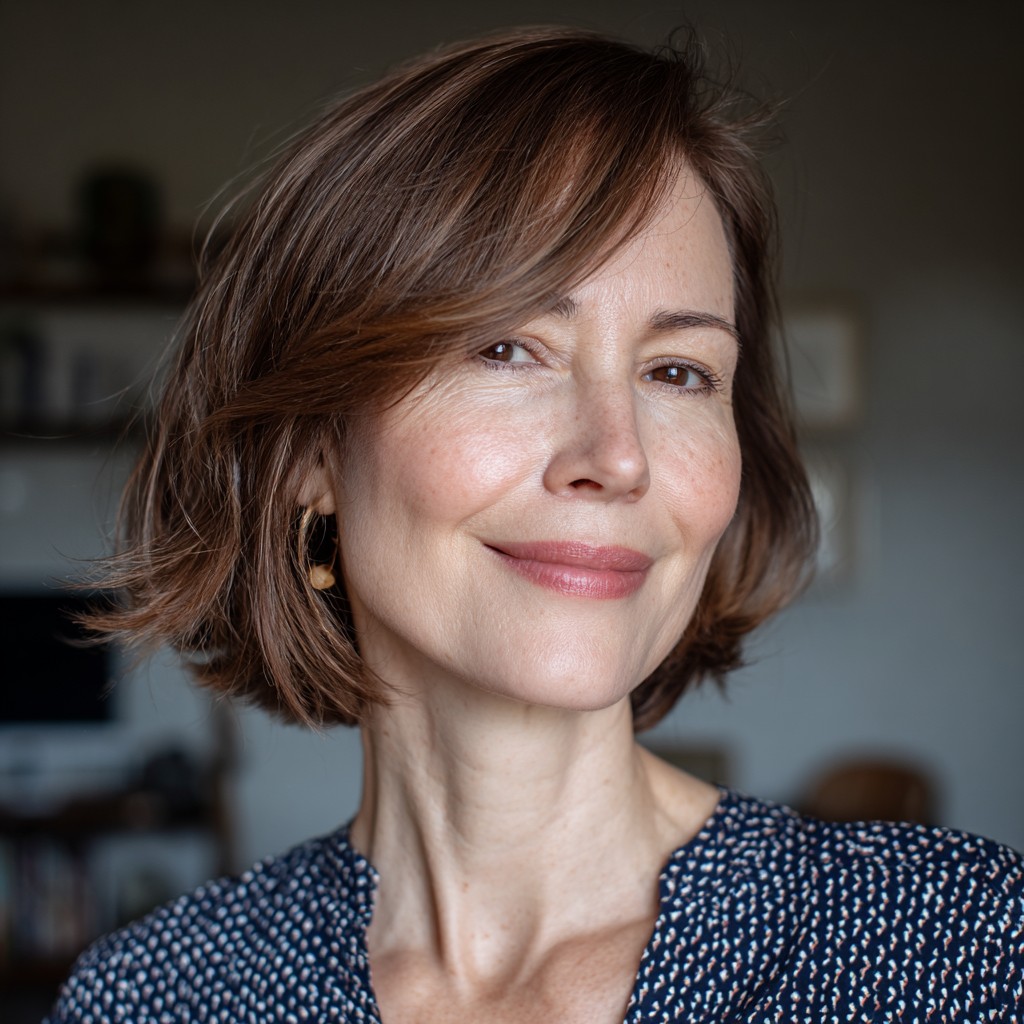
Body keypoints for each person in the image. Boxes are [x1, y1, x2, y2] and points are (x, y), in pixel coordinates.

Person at [48, 27, 1023, 1024]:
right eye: (507, 349)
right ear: (311, 451)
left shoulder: (961, 949)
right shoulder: (149, 998)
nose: (618, 455)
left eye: (676, 371)